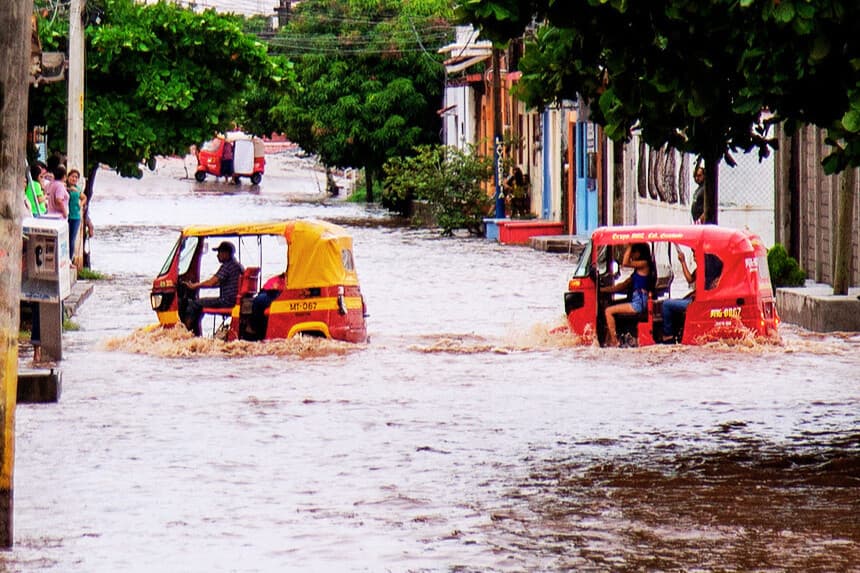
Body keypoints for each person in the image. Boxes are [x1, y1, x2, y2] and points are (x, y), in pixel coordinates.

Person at [660, 248, 724, 343]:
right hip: (697, 300)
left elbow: (693, 283)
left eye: (695, 255)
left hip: (697, 303)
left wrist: (683, 262)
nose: (694, 258)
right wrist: (683, 262)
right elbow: (690, 279)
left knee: (666, 304)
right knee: (674, 302)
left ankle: (668, 335)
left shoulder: (705, 270)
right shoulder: (703, 269)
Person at [182, 241, 244, 336]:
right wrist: (199, 285)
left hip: (227, 301)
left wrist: (194, 286)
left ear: (226, 253)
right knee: (199, 304)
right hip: (233, 300)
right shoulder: (237, 265)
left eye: (219, 252)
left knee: (194, 304)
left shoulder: (227, 266)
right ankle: (195, 334)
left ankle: (185, 334)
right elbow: (217, 283)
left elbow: (211, 282)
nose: (217, 255)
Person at [600, 243, 653, 347]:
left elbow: (625, 263)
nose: (631, 255)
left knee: (608, 311)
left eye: (633, 252)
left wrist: (629, 246)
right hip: (637, 300)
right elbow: (622, 286)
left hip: (638, 303)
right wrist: (603, 290)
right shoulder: (637, 272)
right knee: (609, 306)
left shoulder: (644, 263)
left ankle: (615, 342)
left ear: (638, 253)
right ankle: (608, 339)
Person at [247, 271, 286, 340]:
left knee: (258, 301)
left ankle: (255, 329)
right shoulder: (278, 279)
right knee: (259, 300)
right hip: (273, 293)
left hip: (279, 295)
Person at [66, 169, 86, 261]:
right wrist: (69, 189)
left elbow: (84, 198)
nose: (74, 179)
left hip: (75, 217)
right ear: (68, 176)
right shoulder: (64, 186)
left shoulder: (78, 189)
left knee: (72, 239)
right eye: (72, 176)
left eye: (76, 177)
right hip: (65, 216)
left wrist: (80, 204)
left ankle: (70, 258)